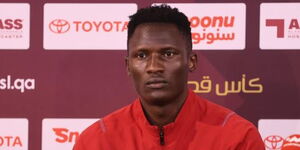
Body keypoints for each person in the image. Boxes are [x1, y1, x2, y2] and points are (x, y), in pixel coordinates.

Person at [73, 4, 265, 150]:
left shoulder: (238, 137)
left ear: (192, 61)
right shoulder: (95, 141)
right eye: (141, 55)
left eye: (168, 54)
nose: (154, 67)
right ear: (128, 66)